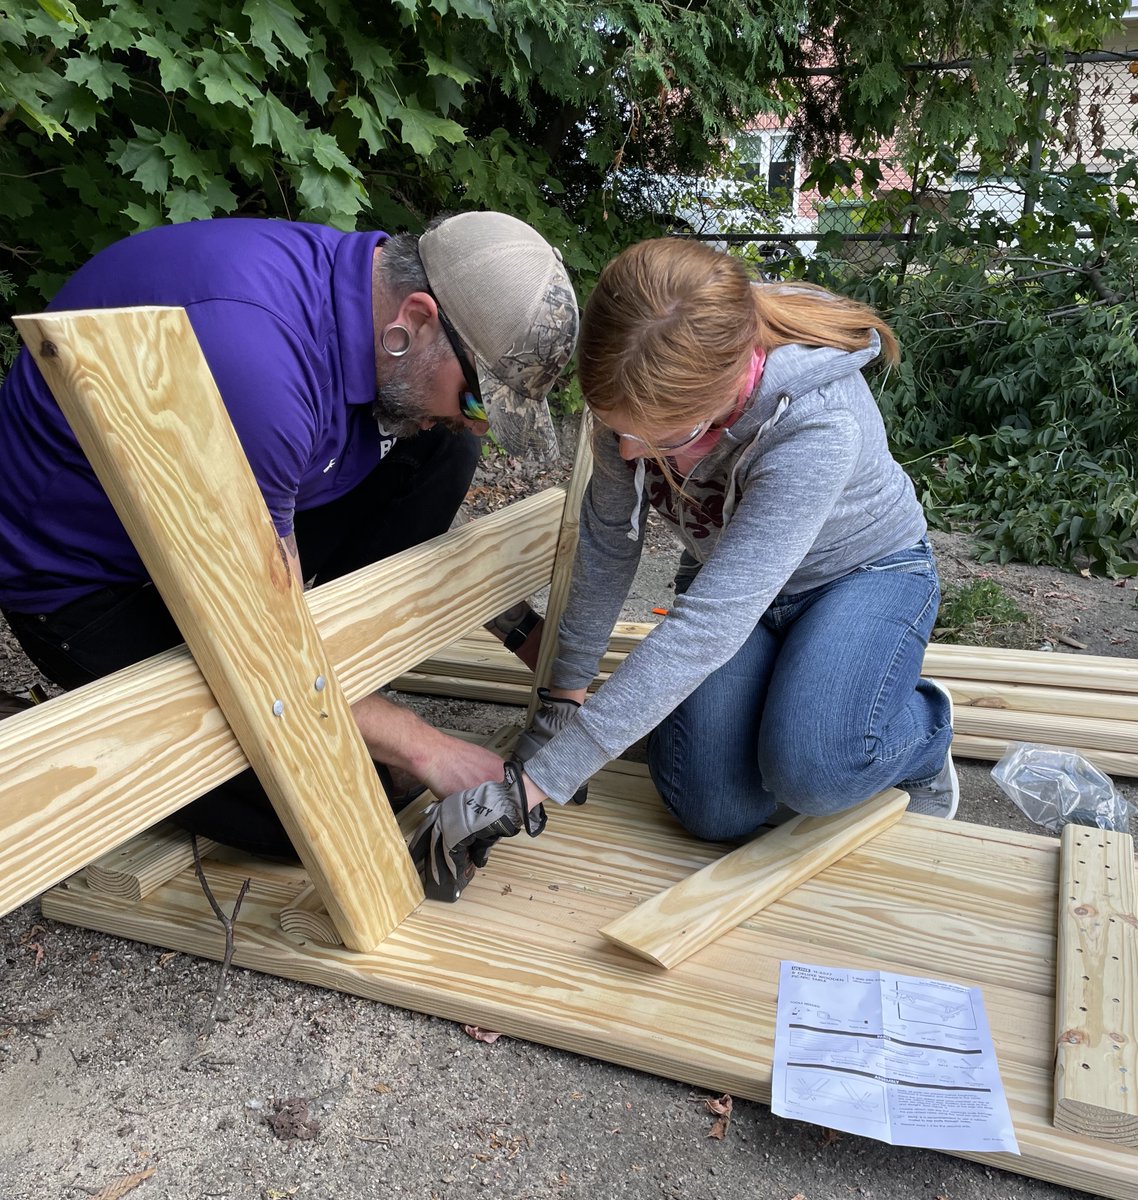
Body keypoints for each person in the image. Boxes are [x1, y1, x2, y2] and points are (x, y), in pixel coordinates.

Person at [0, 212, 579, 856]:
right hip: (90, 584)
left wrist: (518, 630)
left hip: (217, 519)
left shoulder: (363, 291)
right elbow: (257, 645)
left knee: (440, 450)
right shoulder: (255, 370)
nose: (478, 424)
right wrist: (426, 747)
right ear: (415, 319)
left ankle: (346, 676)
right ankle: (39, 741)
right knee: (339, 808)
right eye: (476, 400)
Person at [410, 236, 957, 892]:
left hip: (858, 576)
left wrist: (533, 786)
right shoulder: (630, 397)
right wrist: (559, 709)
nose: (633, 452)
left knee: (814, 771)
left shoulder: (816, 423)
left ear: (726, 393)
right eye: (618, 432)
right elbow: (611, 545)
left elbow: (707, 629)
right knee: (712, 806)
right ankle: (799, 696)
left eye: (661, 440)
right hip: (731, 580)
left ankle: (921, 731)